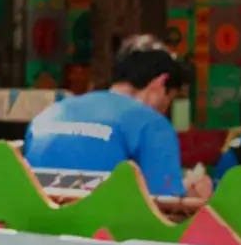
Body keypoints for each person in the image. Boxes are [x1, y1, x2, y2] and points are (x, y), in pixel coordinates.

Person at [24, 41, 211, 198]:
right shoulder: (153, 124)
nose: (165, 109)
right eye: (169, 99)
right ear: (161, 83)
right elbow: (164, 205)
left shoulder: (46, 117)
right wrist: (191, 192)